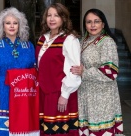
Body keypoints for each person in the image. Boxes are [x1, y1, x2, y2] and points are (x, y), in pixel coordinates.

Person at [0, 7, 39, 136]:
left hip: (23, 96)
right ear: (2, 26)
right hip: (2, 94)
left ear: (20, 25)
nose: (11, 26)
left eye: (15, 23)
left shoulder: (28, 46)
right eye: (8, 23)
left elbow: (34, 74)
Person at [70, 9, 124, 136]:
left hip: (102, 98)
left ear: (103, 24)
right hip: (85, 95)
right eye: (89, 22)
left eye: (96, 21)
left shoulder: (107, 42)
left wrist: (84, 72)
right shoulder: (83, 41)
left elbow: (111, 72)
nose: (92, 25)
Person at [35, 3, 81, 136]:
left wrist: (65, 95)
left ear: (63, 18)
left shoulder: (69, 40)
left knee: (59, 132)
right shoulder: (42, 38)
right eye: (49, 15)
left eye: (56, 15)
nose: (52, 19)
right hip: (44, 93)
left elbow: (74, 70)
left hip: (59, 94)